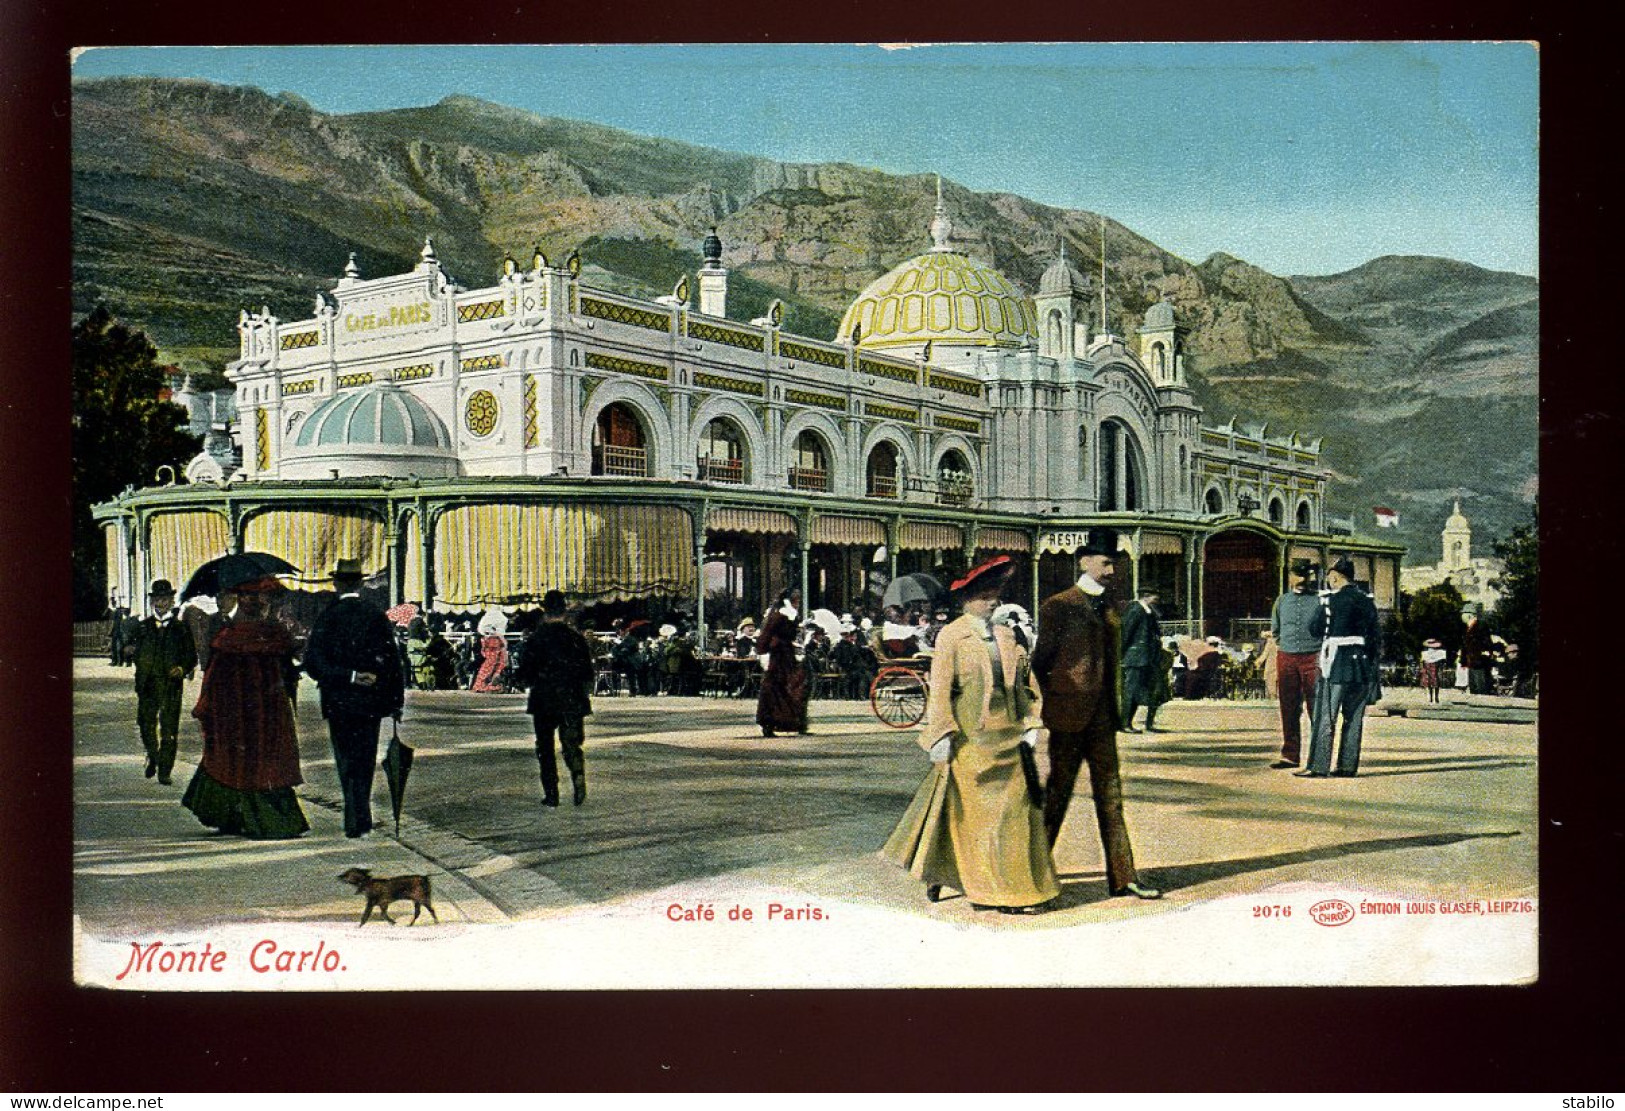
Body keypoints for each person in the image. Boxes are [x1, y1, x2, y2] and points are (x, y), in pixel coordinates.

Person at [881, 556, 1059, 914]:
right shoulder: (952, 636)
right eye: (983, 596)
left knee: (1014, 815)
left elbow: (1026, 685)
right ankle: (991, 890)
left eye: (995, 595)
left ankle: (1012, 887)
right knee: (976, 817)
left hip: (1008, 737)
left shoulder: (1008, 635)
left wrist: (1030, 723)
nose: (992, 601)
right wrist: (941, 734)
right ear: (965, 600)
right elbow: (942, 686)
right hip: (969, 738)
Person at [1030, 528, 1160, 899]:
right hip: (1070, 716)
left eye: (1114, 564)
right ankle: (1034, 874)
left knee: (1111, 796)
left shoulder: (1113, 605)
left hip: (1103, 717)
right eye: (1105, 563)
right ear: (1084, 561)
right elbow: (1041, 662)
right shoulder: (1059, 605)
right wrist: (1063, 696)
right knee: (1056, 795)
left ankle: (1123, 878)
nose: (1111, 570)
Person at [181, 573, 308, 839]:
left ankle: (237, 816)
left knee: (239, 759)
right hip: (263, 710)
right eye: (257, 598)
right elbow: (286, 671)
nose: (261, 603)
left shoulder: (232, 635)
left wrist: (209, 707)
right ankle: (263, 819)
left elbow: (214, 679)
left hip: (242, 712)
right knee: (263, 759)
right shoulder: (268, 633)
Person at [301, 559, 406, 838]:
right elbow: (393, 663)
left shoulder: (327, 617)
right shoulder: (375, 615)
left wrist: (347, 676)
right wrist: (395, 702)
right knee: (365, 759)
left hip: (338, 702)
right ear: (360, 583)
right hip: (369, 703)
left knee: (345, 759)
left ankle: (353, 815)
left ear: (336, 584)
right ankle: (362, 815)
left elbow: (313, 663)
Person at [1297, 557, 1382, 779]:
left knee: (1326, 716)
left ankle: (1318, 766)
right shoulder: (1366, 601)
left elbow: (1315, 629)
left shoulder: (1329, 601)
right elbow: (1375, 638)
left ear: (1335, 577)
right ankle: (1347, 766)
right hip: (1362, 664)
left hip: (1335, 663)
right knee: (1354, 718)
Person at [514, 590, 595, 807]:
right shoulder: (576, 639)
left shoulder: (536, 639)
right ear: (564, 609)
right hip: (572, 699)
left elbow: (526, 673)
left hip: (544, 699)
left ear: (545, 610)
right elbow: (588, 672)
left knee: (545, 747)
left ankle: (552, 794)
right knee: (571, 744)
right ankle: (577, 777)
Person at [126, 578, 198, 784]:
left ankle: (165, 771)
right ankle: (153, 755)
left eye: (165, 599)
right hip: (147, 684)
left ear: (172, 601)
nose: (161, 603)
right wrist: (129, 651)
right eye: (158, 599)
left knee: (169, 729)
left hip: (170, 685)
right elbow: (131, 649)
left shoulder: (180, 628)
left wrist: (182, 668)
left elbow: (191, 655)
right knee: (146, 725)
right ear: (152, 601)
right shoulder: (142, 627)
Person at [1268, 558, 1323, 769]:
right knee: (1288, 706)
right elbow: (1276, 631)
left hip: (1313, 657)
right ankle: (1290, 755)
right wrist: (1286, 648)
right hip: (1287, 657)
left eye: (1305, 576)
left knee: (1315, 707)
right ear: (1290, 577)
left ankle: (1319, 755)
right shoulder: (1282, 601)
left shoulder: (1319, 601)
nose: (1301, 580)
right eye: (1297, 575)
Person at [756, 589, 810, 737]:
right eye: (797, 601)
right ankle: (770, 723)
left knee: (795, 685)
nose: (798, 604)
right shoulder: (779, 614)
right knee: (779, 687)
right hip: (778, 655)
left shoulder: (789, 614)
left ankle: (797, 723)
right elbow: (767, 633)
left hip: (787, 654)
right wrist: (764, 651)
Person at [1118, 588, 1164, 733]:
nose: (1157, 601)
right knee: (1131, 691)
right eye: (1155, 598)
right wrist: (1121, 653)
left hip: (1146, 658)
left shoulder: (1147, 611)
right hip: (1136, 658)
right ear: (1146, 596)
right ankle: (1125, 723)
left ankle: (1130, 723)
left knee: (1143, 691)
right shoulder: (1136, 610)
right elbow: (1126, 633)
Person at [1460, 604, 1495, 695]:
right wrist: (1463, 661)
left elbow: (1486, 641)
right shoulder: (1467, 628)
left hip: (1480, 660)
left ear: (1469, 615)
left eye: (1463, 614)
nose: (1461, 616)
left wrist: (1485, 653)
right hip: (1471, 661)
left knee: (1480, 685)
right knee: (1473, 686)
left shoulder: (1481, 625)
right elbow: (1465, 647)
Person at [472, 609, 510, 692]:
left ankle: (485, 683)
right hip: (493, 642)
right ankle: (483, 684)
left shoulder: (494, 616)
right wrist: (503, 641)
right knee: (492, 663)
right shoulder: (500, 618)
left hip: (491, 641)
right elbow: (499, 633)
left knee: (496, 663)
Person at [1419, 638, 1447, 703]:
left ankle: (1435, 698)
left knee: (1435, 681)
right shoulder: (1426, 650)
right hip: (1429, 665)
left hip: (1434, 665)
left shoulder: (1438, 651)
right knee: (1430, 682)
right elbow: (1423, 659)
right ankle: (1432, 698)